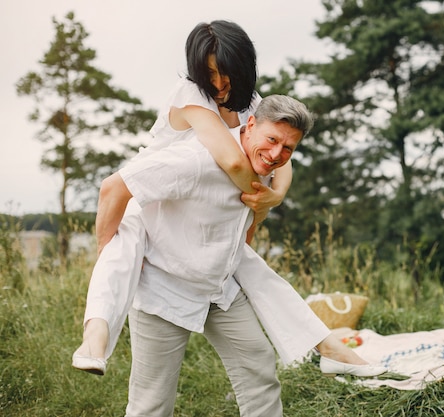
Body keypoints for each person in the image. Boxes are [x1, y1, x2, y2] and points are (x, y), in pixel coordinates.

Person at [72, 20, 385, 379]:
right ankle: (94, 340)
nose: (219, 84)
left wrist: (274, 197)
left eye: (228, 74)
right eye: (210, 73)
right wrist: (102, 250)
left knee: (259, 274)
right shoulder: (192, 95)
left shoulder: (251, 104)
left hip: (202, 214)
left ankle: (329, 347)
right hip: (153, 199)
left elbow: (282, 157)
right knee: (120, 252)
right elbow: (234, 160)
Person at [102, 94, 308, 416]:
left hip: (219, 290)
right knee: (152, 402)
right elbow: (113, 188)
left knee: (259, 367)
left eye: (287, 149)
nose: (276, 154)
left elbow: (246, 224)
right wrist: (109, 261)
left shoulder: (265, 165)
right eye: (272, 141)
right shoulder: (195, 159)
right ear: (250, 124)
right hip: (164, 288)